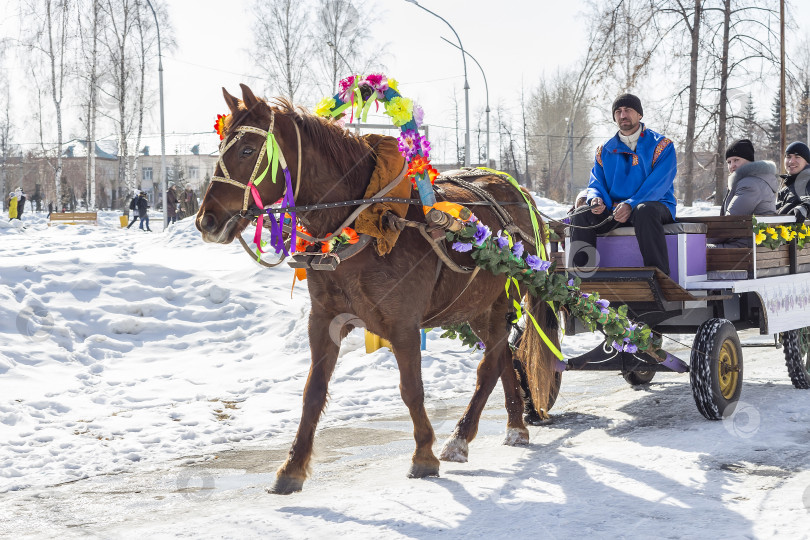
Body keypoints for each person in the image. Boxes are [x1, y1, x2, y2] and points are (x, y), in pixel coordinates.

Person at [570, 93, 677, 274]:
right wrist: (596, 200)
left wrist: (631, 204)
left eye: (628, 110)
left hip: (655, 206)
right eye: (618, 111)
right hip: (614, 211)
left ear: (639, 114)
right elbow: (596, 182)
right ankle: (580, 285)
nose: (622, 115)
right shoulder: (604, 149)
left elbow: (657, 185)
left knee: (644, 210)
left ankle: (658, 279)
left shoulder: (663, 145)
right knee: (582, 214)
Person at [710, 139, 778, 248]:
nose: (732, 165)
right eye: (729, 162)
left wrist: (701, 239)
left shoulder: (750, 184)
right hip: (745, 243)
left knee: (691, 249)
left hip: (747, 247)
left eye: (736, 160)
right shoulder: (745, 181)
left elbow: (730, 223)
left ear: (749, 161)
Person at [776, 141, 810, 223]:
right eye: (788, 157)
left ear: (807, 161)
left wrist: (805, 207)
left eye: (797, 156)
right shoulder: (786, 188)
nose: (791, 161)